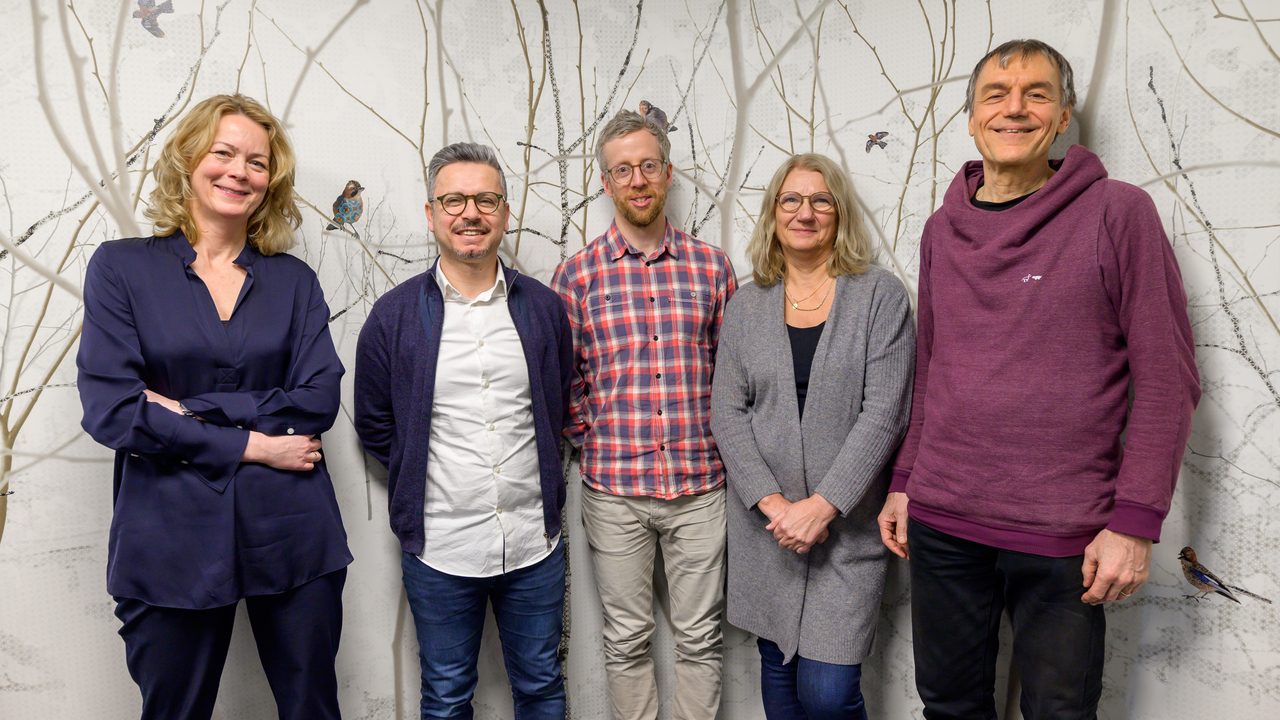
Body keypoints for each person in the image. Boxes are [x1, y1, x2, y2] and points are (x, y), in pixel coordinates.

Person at [878, 39, 1201, 720]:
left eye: (1036, 94)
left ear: (1063, 116)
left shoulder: (1117, 213)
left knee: (1059, 712)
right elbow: (932, 369)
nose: (1014, 108)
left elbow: (1167, 377)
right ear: (971, 118)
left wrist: (1136, 524)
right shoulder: (942, 229)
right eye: (996, 94)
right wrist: (905, 481)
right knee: (949, 706)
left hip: (1065, 532)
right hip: (943, 518)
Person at [77, 94, 351, 720]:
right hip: (169, 538)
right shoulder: (120, 270)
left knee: (312, 709)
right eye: (223, 152)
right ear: (189, 159)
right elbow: (113, 413)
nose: (239, 171)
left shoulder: (294, 282)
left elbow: (318, 401)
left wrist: (187, 411)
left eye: (257, 162)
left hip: (292, 533)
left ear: (270, 182)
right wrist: (255, 443)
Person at [353, 142, 572, 720]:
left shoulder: (545, 309)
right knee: (447, 696)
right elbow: (376, 424)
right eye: (453, 200)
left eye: (485, 199)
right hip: (441, 548)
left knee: (543, 687)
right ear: (431, 213)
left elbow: (555, 405)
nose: (469, 213)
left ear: (504, 211)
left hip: (533, 543)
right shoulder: (394, 316)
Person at [710, 153, 915, 720]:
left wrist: (821, 507)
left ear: (839, 213)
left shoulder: (880, 296)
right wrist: (777, 509)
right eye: (791, 200)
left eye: (820, 199)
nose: (806, 211)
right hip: (768, 532)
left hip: (844, 534)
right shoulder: (747, 306)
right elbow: (727, 413)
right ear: (774, 214)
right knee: (779, 679)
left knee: (827, 694)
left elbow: (886, 413)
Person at [551, 110, 736, 720]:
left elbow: (731, 374)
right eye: (622, 169)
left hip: (700, 487)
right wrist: (595, 435)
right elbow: (564, 379)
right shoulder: (576, 276)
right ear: (606, 182)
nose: (637, 180)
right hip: (615, 492)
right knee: (626, 641)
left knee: (701, 638)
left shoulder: (713, 267)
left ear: (667, 173)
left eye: (648, 166)